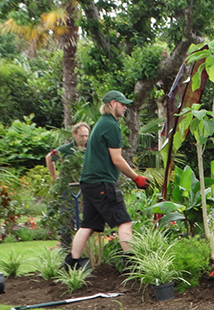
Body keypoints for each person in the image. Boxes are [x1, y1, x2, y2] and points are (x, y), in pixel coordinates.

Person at [64, 90, 150, 269]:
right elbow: (117, 159)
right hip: (101, 182)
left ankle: (71, 264)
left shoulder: (102, 123)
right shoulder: (110, 125)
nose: (125, 107)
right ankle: (133, 266)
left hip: (88, 182)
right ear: (112, 104)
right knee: (124, 222)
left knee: (88, 225)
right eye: (122, 104)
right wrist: (137, 178)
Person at [45, 122, 90, 249]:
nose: (85, 139)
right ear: (74, 134)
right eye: (82, 136)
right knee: (67, 216)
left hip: (86, 187)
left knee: (86, 217)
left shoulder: (91, 148)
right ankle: (66, 246)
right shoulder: (66, 149)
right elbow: (49, 158)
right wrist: (55, 178)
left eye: (87, 136)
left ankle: (84, 247)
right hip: (69, 188)